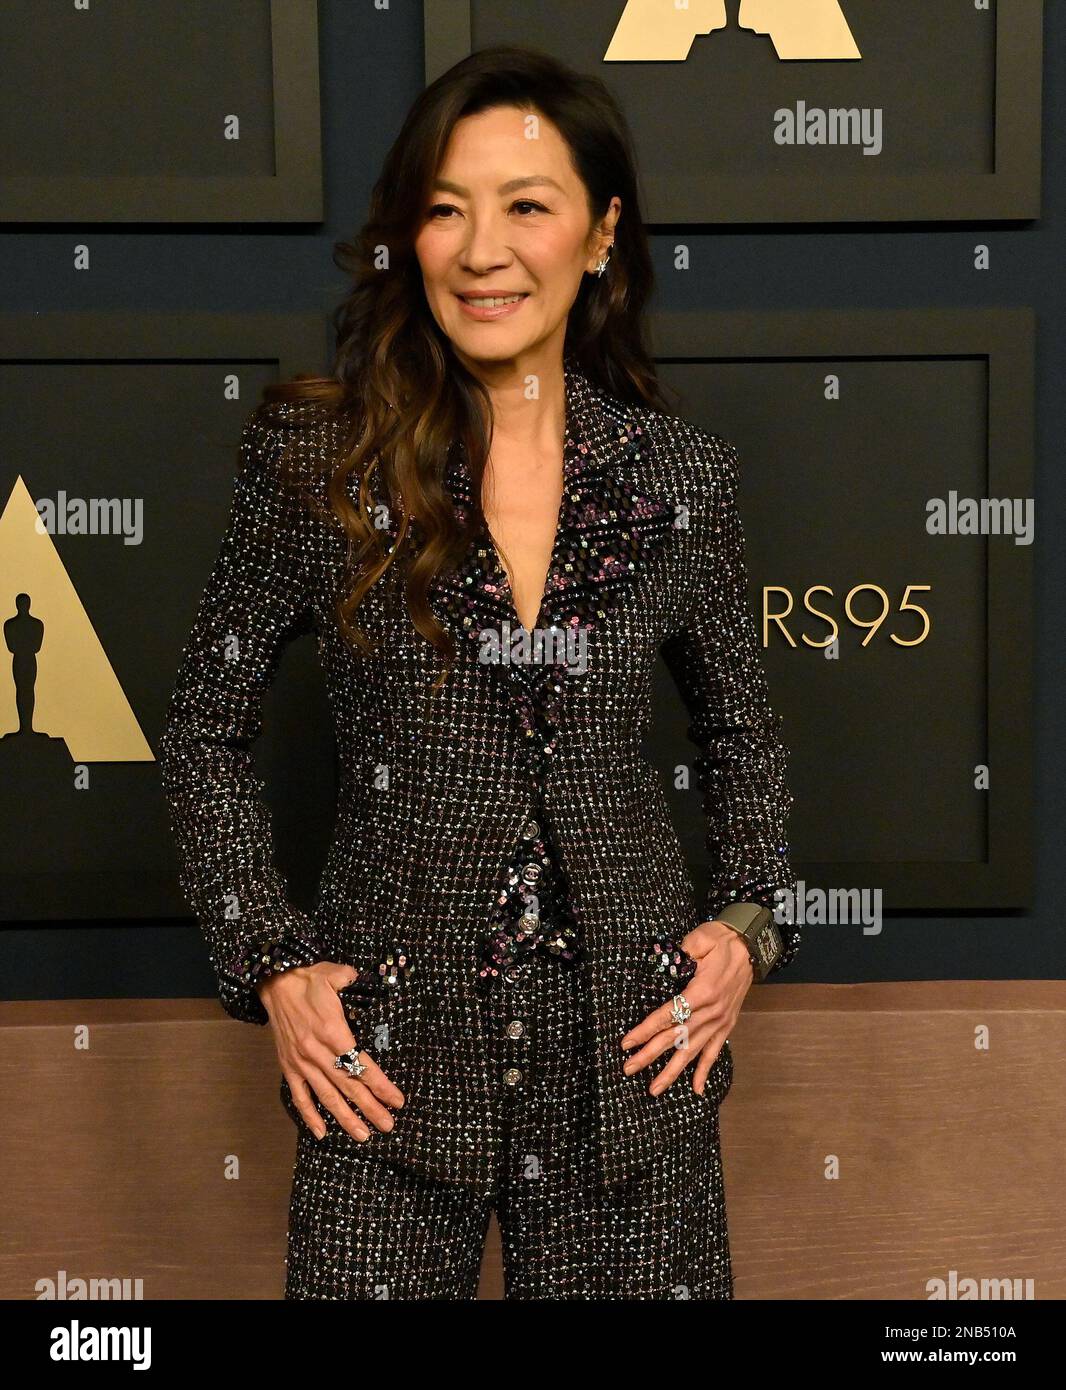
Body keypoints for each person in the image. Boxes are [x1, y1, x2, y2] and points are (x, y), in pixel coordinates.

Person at [158, 44, 798, 1301]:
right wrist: (274, 965)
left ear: (600, 233)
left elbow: (743, 733)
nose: (480, 248)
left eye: (526, 204)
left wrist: (747, 927)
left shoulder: (681, 481)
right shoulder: (319, 462)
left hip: (632, 1055)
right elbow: (200, 728)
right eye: (445, 208)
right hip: (384, 1057)